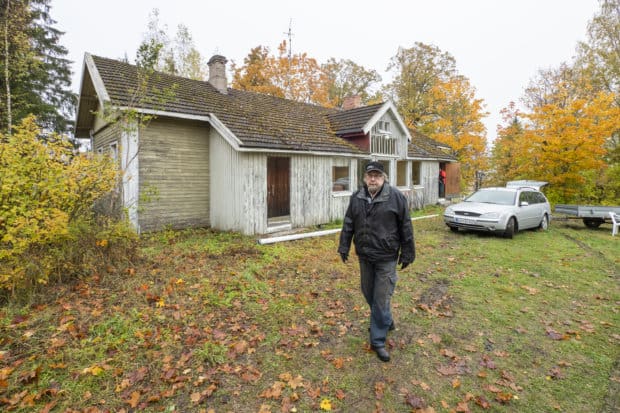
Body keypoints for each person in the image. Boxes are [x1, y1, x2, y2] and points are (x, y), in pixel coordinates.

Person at [338, 161, 415, 362]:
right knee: (368, 293)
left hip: (386, 257)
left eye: (377, 175)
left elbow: (405, 226)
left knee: (380, 299)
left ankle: (378, 340)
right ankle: (386, 320)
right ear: (365, 178)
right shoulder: (357, 197)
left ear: (384, 178)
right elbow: (348, 222)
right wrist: (344, 245)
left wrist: (408, 252)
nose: (373, 179)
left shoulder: (395, 197)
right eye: (370, 175)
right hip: (365, 255)